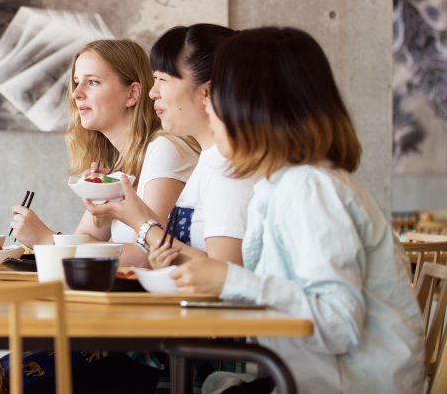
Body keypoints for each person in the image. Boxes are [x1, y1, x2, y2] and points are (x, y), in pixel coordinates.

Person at [170, 27, 424, 394]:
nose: (208, 104)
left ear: (256, 105)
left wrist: (229, 280)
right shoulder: (279, 187)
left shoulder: (309, 189)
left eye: (218, 92)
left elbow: (338, 323)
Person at [11, 39, 198, 267]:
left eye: (93, 82)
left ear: (132, 94)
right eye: (77, 82)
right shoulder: (123, 163)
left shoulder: (164, 149)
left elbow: (147, 255)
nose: (76, 94)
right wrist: (100, 201)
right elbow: (88, 239)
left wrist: (47, 240)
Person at [90, 24, 253, 267]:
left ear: (206, 91)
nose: (153, 93)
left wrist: (143, 224)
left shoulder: (229, 170)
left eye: (163, 79)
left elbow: (228, 277)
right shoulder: (209, 162)